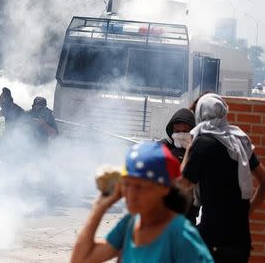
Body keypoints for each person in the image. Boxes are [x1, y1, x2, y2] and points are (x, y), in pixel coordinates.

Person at [70, 141, 213, 263]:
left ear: (165, 188)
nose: (131, 195)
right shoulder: (130, 224)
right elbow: (81, 259)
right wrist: (99, 207)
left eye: (140, 187)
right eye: (126, 184)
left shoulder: (180, 235)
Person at [182, 93, 265, 263]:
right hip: (240, 239)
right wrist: (248, 209)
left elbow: (183, 183)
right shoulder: (239, 141)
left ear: (200, 114)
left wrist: (190, 147)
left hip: (211, 238)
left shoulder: (202, 142)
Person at [161, 108, 199, 224]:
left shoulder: (198, 151)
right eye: (177, 131)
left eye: (185, 131)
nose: (181, 135)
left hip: (188, 214)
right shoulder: (164, 147)